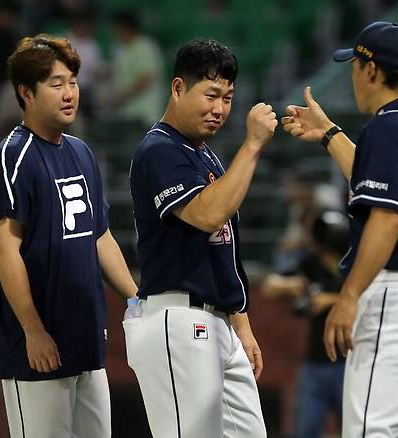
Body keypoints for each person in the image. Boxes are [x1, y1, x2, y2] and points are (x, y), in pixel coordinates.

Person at [281, 21, 398, 436]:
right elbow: (377, 181)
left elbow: (387, 216)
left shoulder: (386, 128)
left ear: (372, 70)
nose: (352, 76)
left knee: (369, 430)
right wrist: (329, 133)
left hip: (397, 301)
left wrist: (348, 297)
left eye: (355, 65)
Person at [0, 34, 138, 438]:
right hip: (35, 349)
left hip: (85, 340)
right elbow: (5, 251)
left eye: (72, 81)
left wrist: (137, 299)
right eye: (56, 84)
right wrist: (33, 331)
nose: (69, 93)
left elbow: (100, 237)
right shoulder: (10, 157)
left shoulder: (82, 152)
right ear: (26, 93)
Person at [126, 38, 276, 438]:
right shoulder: (159, 149)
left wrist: (240, 324)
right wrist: (254, 144)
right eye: (211, 94)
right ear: (178, 88)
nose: (220, 109)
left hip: (217, 319)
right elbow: (207, 216)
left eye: (227, 97)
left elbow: (222, 249)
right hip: (177, 317)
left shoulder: (205, 155)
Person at [261, 210, 348, 438]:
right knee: (304, 430)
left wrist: (329, 300)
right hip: (315, 363)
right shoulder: (311, 266)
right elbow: (270, 285)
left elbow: (369, 298)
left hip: (350, 362)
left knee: (356, 429)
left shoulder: (354, 266)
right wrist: (292, 286)